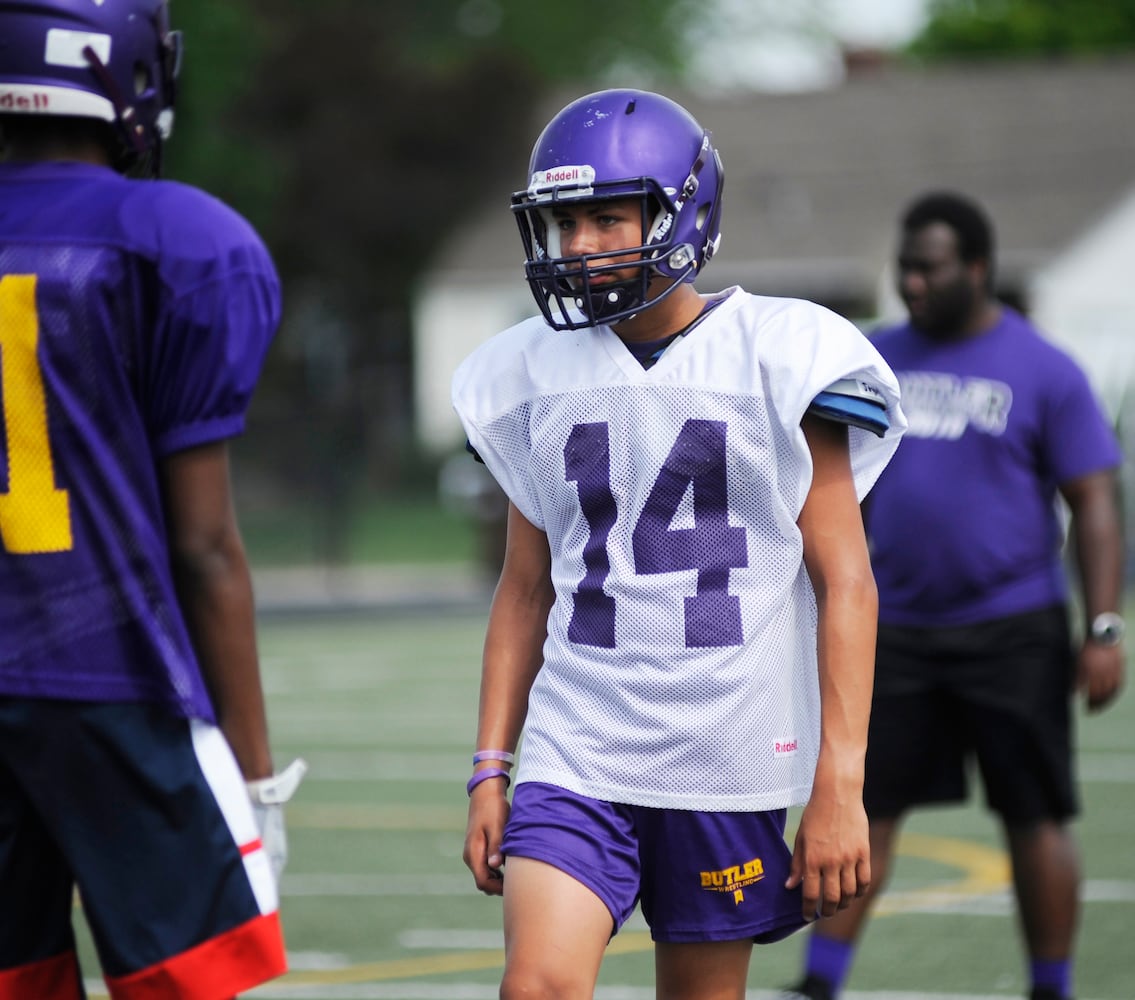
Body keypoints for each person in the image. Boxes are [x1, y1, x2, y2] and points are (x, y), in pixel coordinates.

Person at [452, 88, 907, 1000]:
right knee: (534, 986)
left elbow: (844, 581)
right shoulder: (527, 371)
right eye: (563, 221)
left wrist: (840, 786)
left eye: (606, 217)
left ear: (681, 214)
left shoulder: (784, 351)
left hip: (724, 754)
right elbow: (524, 590)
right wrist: (489, 769)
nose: (579, 245)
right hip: (576, 747)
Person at [0, 2, 306, 997]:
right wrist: (255, 776)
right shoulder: (178, 238)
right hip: (111, 675)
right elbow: (204, 543)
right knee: (190, 982)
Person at [785, 191, 1126, 1000]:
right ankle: (818, 983)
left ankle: (1051, 985)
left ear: (975, 269)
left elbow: (1095, 501)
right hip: (891, 627)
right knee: (862, 808)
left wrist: (1103, 626)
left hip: (1012, 627)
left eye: (927, 267)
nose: (910, 282)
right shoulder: (867, 360)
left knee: (1034, 816)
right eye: (903, 267)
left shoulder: (1043, 366)